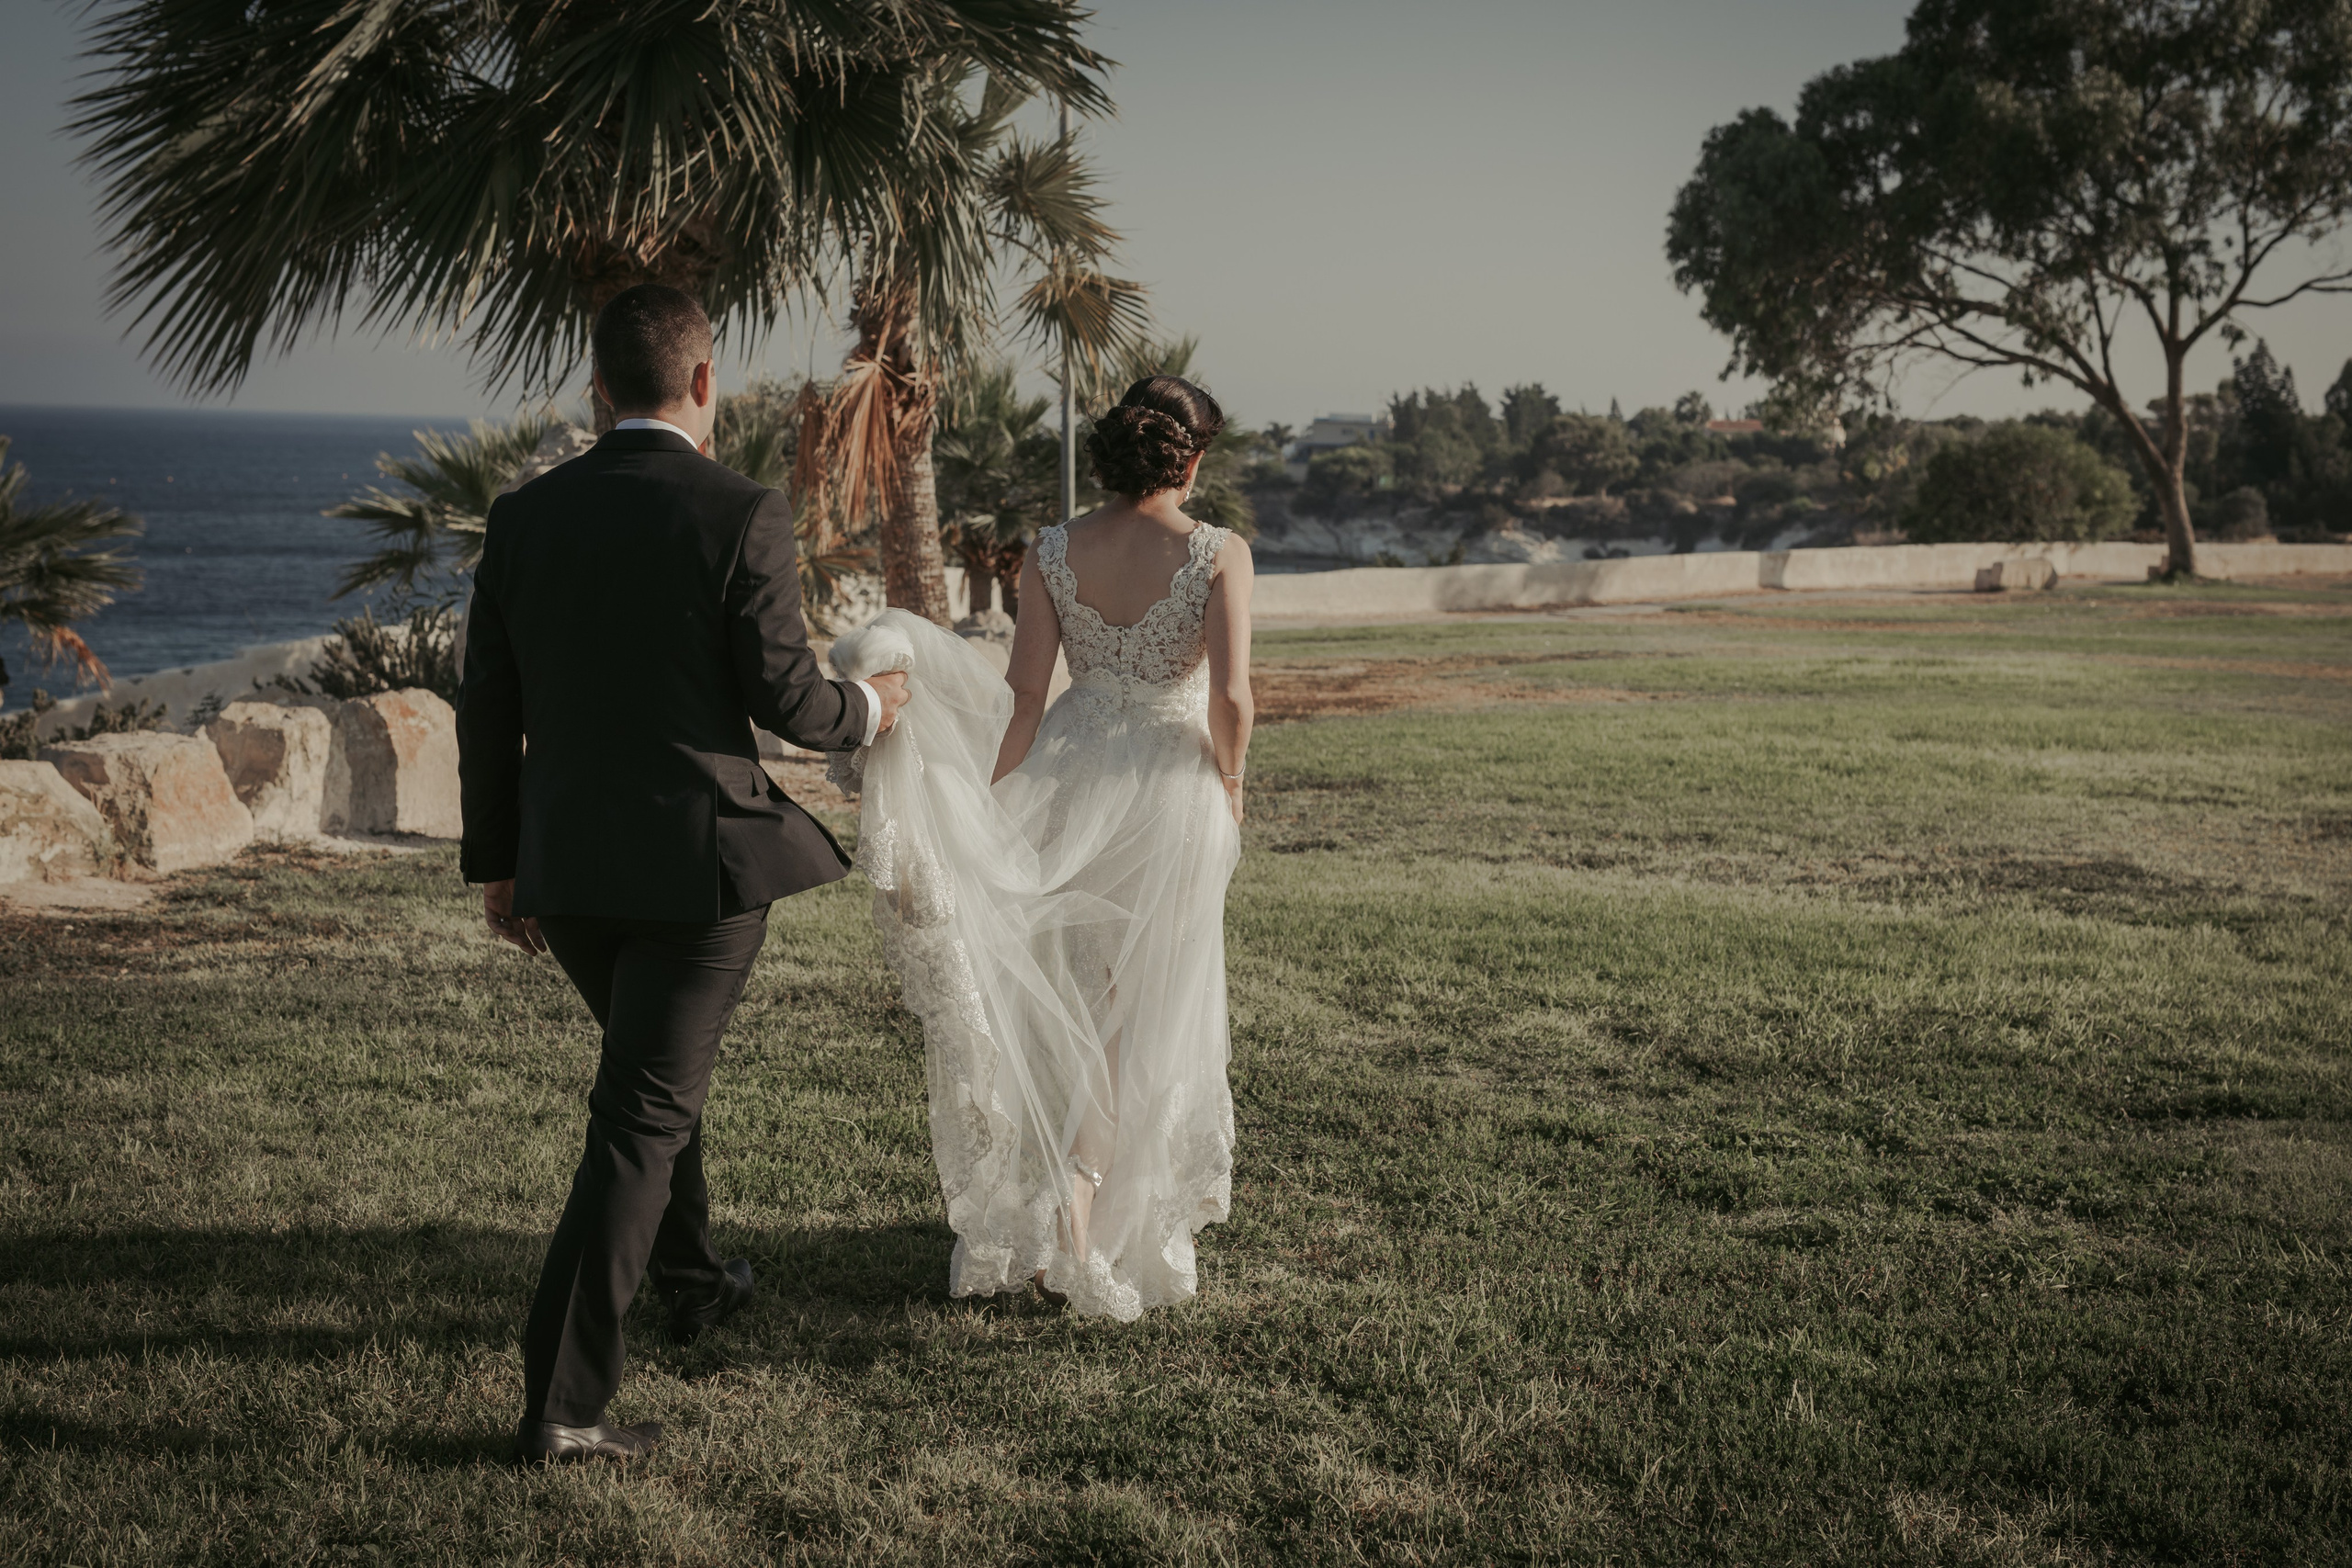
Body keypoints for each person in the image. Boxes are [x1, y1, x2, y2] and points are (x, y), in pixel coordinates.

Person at [454, 283, 908, 1465]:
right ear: (707, 383)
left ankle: (695, 1280)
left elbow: (484, 710)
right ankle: (561, 1410)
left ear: (597, 390)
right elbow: (788, 700)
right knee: (642, 1117)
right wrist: (874, 705)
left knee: (654, 1082)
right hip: (698, 873)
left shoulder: (522, 516)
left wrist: (502, 870)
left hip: (568, 868)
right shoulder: (740, 509)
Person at [836, 374, 1251, 1320]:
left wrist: (994, 808)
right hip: (1169, 788)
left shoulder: (1055, 551)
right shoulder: (1219, 554)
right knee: (1142, 1015)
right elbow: (1231, 698)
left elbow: (1025, 697)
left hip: (1070, 773)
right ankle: (1088, 1208)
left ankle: (1076, 1197)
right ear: (1188, 457)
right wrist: (1231, 783)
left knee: (1081, 998)